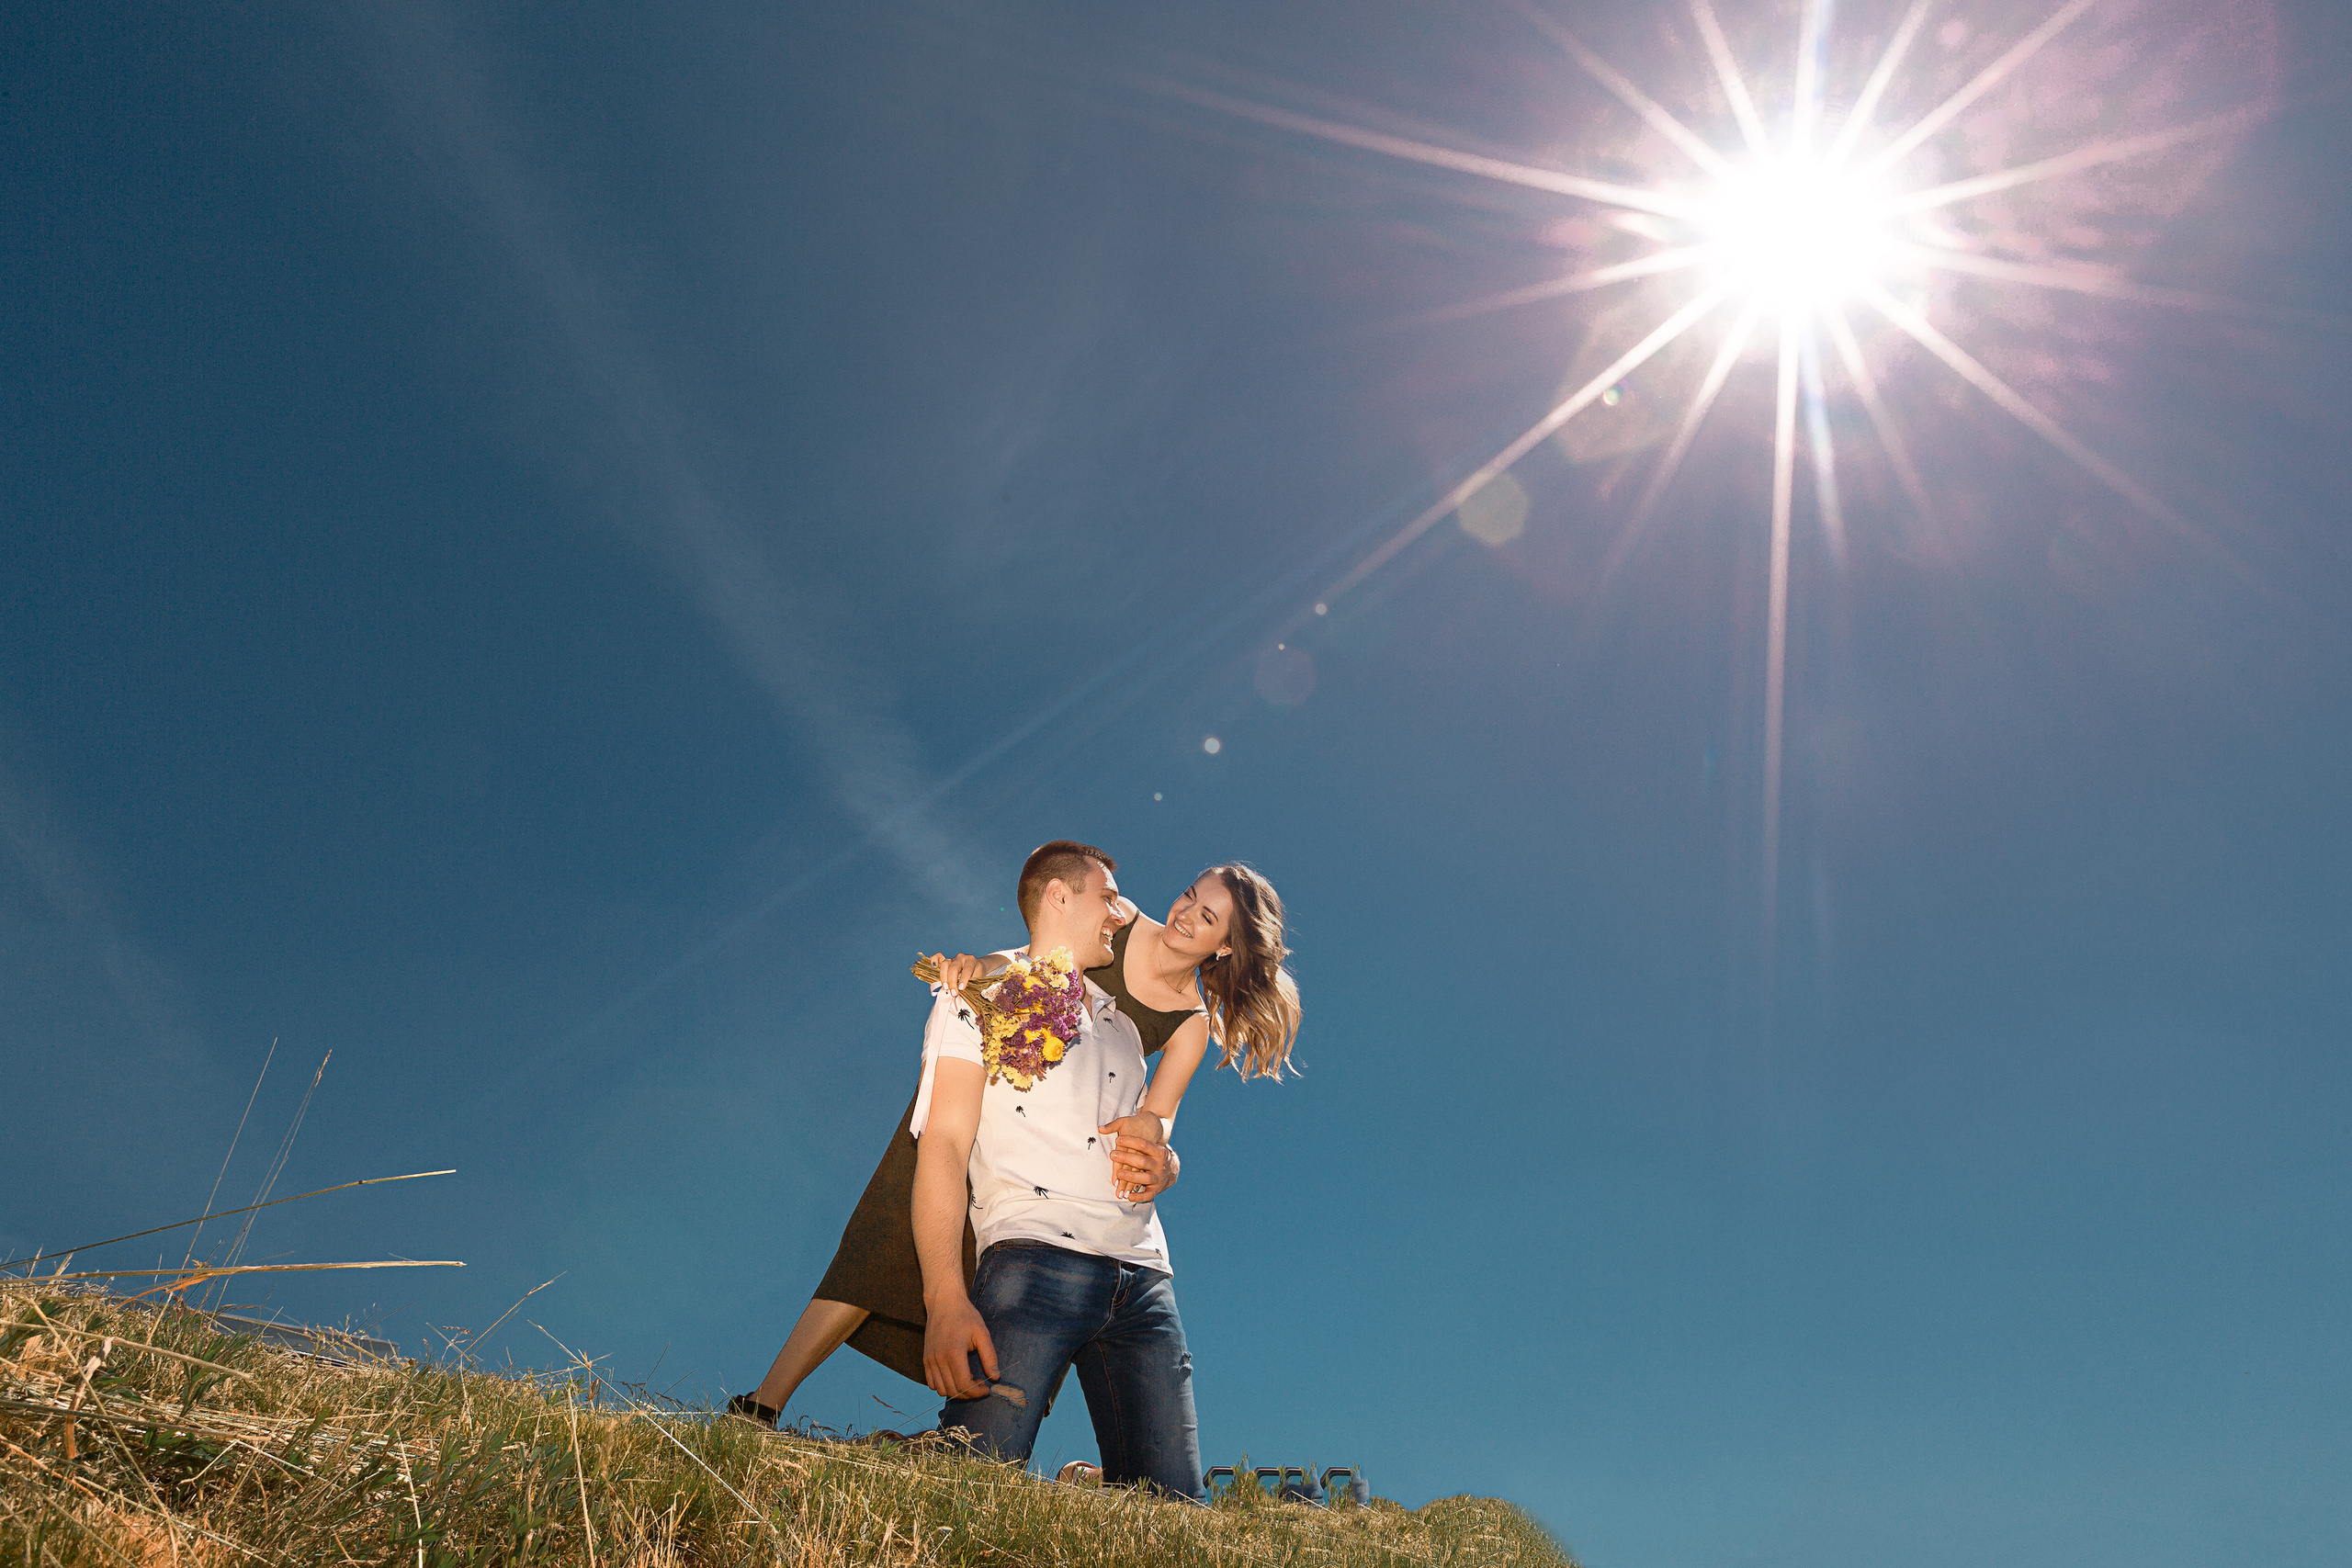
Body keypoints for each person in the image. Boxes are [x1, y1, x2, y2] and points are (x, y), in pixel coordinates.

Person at [727, 842, 1298, 1433]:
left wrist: (1164, 1159)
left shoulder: (1191, 1025)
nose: (1183, 914)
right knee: (887, 1234)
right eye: (1188, 895)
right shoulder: (1117, 922)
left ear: (1226, 946)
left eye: (1206, 917)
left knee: (1017, 1281)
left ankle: (981, 1428)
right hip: (987, 1083)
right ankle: (765, 1400)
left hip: (1050, 1163)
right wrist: (983, 968)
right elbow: (1039, 957)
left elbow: (1153, 1124)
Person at [912, 844, 1207, 1496]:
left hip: (1144, 1282)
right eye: (1108, 896)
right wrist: (945, 1297)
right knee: (969, 1486)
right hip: (1033, 1265)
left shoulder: (1126, 1030)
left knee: (1174, 1515)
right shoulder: (974, 996)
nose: (1120, 914)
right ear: (1059, 896)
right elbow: (944, 1146)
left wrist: (1168, 1165)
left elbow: (1147, 1145)